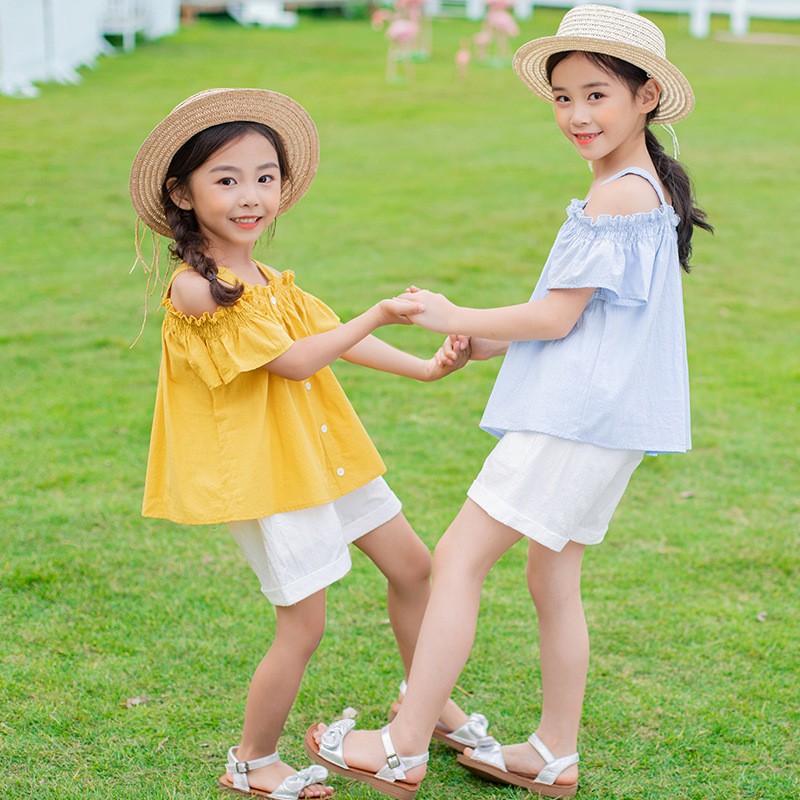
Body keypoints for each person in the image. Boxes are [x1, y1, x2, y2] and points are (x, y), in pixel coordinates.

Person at [305, 5, 712, 799]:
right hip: (601, 420)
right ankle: (552, 752)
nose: (577, 115)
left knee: (456, 560)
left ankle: (401, 744)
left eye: (597, 95)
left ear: (647, 97)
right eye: (563, 97)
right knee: (552, 581)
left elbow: (555, 316)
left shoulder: (620, 196)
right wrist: (487, 341)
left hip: (577, 419)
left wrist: (453, 316)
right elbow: (585, 316)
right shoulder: (635, 184)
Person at [129, 88, 485, 800]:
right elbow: (296, 359)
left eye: (265, 177)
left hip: (329, 457)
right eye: (226, 180)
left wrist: (425, 366)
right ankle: (253, 761)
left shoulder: (267, 279)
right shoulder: (200, 289)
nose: (252, 195)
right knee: (304, 623)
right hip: (270, 475)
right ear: (183, 192)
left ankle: (424, 709)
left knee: (415, 569)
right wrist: (380, 311)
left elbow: (327, 340)